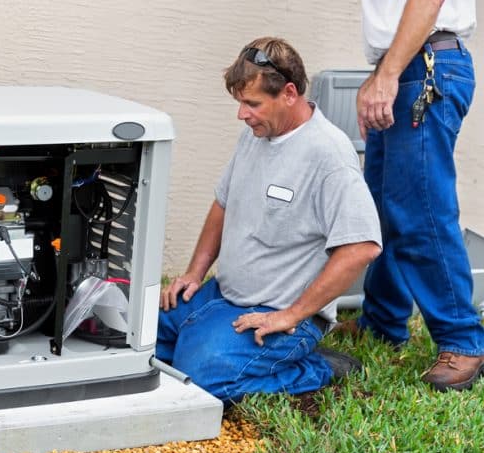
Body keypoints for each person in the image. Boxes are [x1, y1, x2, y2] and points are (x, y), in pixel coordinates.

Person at [158, 37, 382, 402]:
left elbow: (362, 247)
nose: (242, 114)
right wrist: (195, 273)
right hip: (222, 296)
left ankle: (318, 367)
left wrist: (292, 315)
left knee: (201, 380)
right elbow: (222, 204)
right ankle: (210, 340)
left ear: (289, 93)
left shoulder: (328, 155)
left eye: (252, 104)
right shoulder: (257, 133)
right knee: (138, 340)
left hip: (279, 313)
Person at [345, 0, 483, 392]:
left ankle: (463, 340)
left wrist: (386, 78)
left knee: (419, 209)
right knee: (384, 205)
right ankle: (383, 322)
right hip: (411, 67)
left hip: (422, 69)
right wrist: (384, 75)